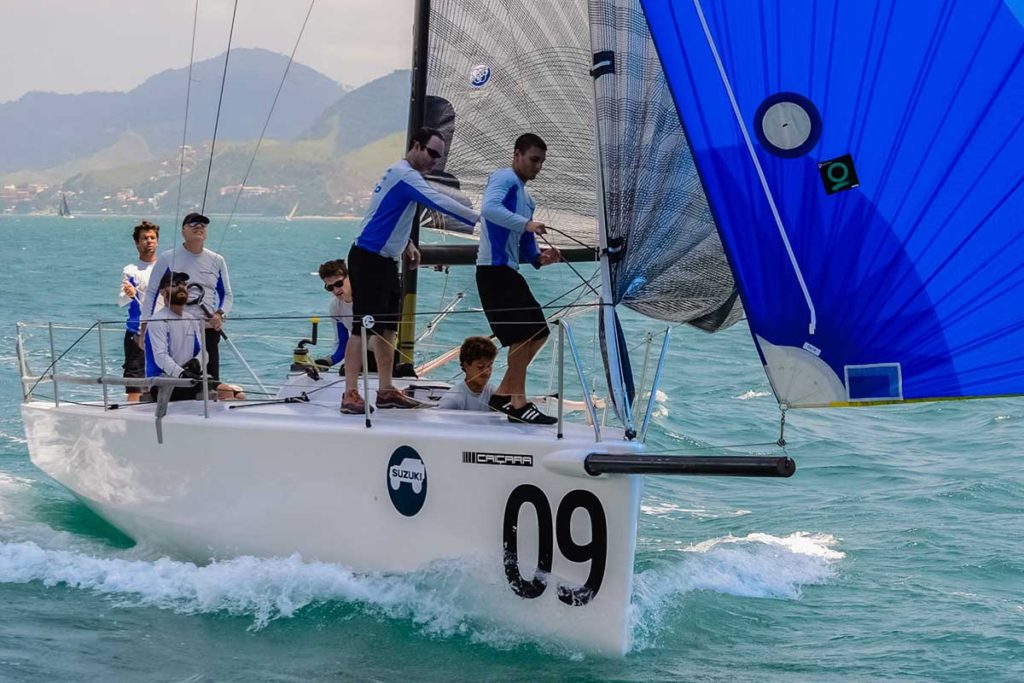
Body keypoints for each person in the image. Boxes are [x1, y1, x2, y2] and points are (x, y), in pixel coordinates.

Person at [341, 127, 481, 414]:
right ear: (415, 146)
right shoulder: (405, 174)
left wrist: (407, 242)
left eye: (439, 157)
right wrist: (483, 220)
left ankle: (385, 389)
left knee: (387, 330)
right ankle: (350, 394)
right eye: (431, 153)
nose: (434, 161)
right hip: (368, 259)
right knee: (361, 328)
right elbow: (438, 201)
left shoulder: (405, 176)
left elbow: (391, 212)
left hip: (386, 261)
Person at [476, 133, 561, 424]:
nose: (537, 167)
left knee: (539, 332)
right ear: (517, 155)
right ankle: (518, 403)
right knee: (524, 334)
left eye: (541, 162)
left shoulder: (528, 198)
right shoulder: (504, 177)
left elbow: (525, 246)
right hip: (492, 270)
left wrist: (540, 258)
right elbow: (489, 209)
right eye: (533, 160)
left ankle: (502, 396)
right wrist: (526, 224)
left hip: (508, 272)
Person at [141, 212, 232, 384]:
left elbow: (227, 295)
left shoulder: (217, 260)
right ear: (183, 231)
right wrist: (144, 326)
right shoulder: (168, 257)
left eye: (203, 225)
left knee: (210, 381)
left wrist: (220, 314)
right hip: (177, 327)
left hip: (207, 328)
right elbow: (152, 292)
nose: (199, 226)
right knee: (177, 375)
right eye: (193, 224)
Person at [144, 271, 205, 402]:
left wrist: (197, 362)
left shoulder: (191, 319)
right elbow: (161, 357)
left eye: (183, 283)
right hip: (163, 381)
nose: (181, 287)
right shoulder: (158, 320)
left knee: (233, 393)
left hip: (190, 380)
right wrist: (181, 374)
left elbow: (202, 351)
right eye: (174, 284)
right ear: (163, 292)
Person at [118, 220, 158, 401]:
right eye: (145, 238)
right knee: (135, 382)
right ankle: (132, 416)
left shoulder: (165, 268)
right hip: (136, 332)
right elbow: (122, 299)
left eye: (152, 238)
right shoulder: (131, 270)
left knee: (161, 380)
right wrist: (130, 292)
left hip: (161, 331)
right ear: (137, 243)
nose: (149, 241)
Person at [439, 336, 497, 411]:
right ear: (466, 366)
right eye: (480, 366)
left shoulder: (493, 394)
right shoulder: (452, 400)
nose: (486, 371)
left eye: (489, 366)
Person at [315, 259, 352, 370]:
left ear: (349, 277)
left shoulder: (369, 298)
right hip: (360, 351)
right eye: (330, 287)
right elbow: (342, 343)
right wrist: (326, 362)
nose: (336, 290)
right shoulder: (335, 306)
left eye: (339, 284)